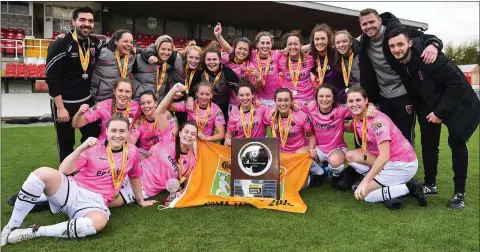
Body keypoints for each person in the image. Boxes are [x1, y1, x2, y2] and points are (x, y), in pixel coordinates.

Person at [1, 115, 156, 246]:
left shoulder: (133, 152)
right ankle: (11, 227)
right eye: (113, 130)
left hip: (95, 202)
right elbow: (64, 171)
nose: (117, 135)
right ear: (106, 132)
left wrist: (141, 200)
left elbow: (135, 176)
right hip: (73, 190)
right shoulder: (93, 146)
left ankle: (35, 231)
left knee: (99, 222)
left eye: (122, 131)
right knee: (41, 173)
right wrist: (81, 148)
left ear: (128, 132)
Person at [387, 26, 480, 209]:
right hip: (427, 107)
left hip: (457, 105)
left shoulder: (429, 57)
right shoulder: (399, 63)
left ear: (410, 43)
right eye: (392, 46)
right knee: (429, 145)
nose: (396, 49)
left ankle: (459, 193)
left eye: (400, 44)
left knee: (457, 143)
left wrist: (440, 112)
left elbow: (456, 85)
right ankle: (430, 184)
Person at [357, 8, 443, 144]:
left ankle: (408, 164)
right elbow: (338, 44)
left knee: (405, 137)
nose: (369, 26)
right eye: (364, 24)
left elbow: (424, 37)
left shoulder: (396, 31)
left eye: (372, 22)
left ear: (380, 20)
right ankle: (392, 165)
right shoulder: (363, 43)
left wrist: (434, 45)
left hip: (404, 95)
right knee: (386, 137)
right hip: (383, 98)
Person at [344, 87, 427, 208]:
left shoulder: (378, 122)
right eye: (351, 101)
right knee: (350, 155)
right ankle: (383, 181)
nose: (354, 104)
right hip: (387, 161)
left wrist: (365, 182)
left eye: (358, 100)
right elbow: (353, 128)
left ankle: (410, 187)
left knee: (365, 195)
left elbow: (384, 156)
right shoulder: (358, 117)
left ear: (366, 101)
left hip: (402, 165)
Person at [45, 6, 103, 162]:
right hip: (65, 104)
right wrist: (60, 108)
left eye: (90, 21)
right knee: (66, 143)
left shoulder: (96, 44)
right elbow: (51, 78)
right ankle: (66, 177)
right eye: (82, 20)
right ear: (74, 22)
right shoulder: (61, 44)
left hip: (86, 101)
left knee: (91, 138)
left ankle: (87, 169)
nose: (87, 24)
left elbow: (117, 46)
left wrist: (142, 52)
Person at [109, 118, 198, 207]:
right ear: (179, 133)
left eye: (193, 134)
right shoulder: (169, 139)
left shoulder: (191, 160)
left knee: (114, 202)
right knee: (105, 186)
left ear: (195, 138)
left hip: (146, 189)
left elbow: (187, 183)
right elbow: (160, 112)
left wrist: (181, 193)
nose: (189, 135)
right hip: (134, 173)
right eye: (186, 132)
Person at [302, 84, 376, 187]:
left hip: (336, 148)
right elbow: (293, 105)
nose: (324, 99)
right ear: (316, 98)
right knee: (300, 153)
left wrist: (371, 106)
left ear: (334, 99)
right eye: (321, 96)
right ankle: (320, 173)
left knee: (335, 161)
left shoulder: (341, 110)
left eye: (328, 96)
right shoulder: (310, 107)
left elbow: (361, 108)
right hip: (318, 148)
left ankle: (335, 176)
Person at [263, 88, 323, 186]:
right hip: (281, 153)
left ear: (291, 101)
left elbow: (311, 135)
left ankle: (313, 169)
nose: (283, 103)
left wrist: (312, 149)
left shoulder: (301, 115)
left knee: (300, 185)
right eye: (280, 100)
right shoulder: (270, 116)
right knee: (278, 181)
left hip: (299, 152)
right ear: (275, 101)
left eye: (286, 100)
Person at [72, 78, 141, 140]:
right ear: (114, 91)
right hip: (105, 146)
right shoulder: (102, 106)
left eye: (127, 91)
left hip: (126, 147)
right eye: (120, 90)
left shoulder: (137, 108)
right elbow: (76, 124)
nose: (123, 94)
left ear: (132, 93)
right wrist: (79, 113)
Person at [188, 44, 239, 123]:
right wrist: (190, 99)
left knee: (222, 133)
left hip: (222, 107)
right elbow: (191, 91)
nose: (212, 62)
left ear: (220, 60)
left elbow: (239, 89)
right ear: (204, 60)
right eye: (208, 59)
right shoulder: (199, 72)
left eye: (214, 59)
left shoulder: (227, 72)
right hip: (202, 107)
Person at [213, 23, 253, 113]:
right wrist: (218, 36)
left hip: (245, 102)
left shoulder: (250, 66)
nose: (242, 52)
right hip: (229, 101)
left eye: (245, 49)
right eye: (240, 48)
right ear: (234, 48)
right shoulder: (224, 58)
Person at [129, 90, 178, 159]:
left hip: (164, 151)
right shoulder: (139, 122)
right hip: (146, 155)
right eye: (142, 103)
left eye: (149, 102)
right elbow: (131, 143)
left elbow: (175, 131)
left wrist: (158, 147)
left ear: (155, 103)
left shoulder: (165, 114)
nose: (146, 106)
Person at [90, 29, 136, 103]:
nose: (129, 44)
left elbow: (147, 51)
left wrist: (149, 55)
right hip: (100, 98)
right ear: (115, 41)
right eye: (125, 41)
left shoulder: (132, 55)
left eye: (131, 42)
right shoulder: (102, 52)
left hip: (120, 99)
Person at [133, 35, 184, 101]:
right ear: (157, 48)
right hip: (140, 102)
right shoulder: (139, 58)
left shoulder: (171, 62)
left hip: (158, 103)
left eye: (169, 50)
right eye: (163, 49)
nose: (166, 52)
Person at [308, 24, 347, 103]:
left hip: (341, 99)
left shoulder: (337, 53)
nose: (320, 42)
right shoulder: (310, 56)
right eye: (317, 39)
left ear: (328, 39)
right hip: (323, 101)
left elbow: (350, 42)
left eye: (323, 39)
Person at [224, 78, 269, 146]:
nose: (245, 98)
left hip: (259, 148)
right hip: (241, 149)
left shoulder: (261, 109)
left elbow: (275, 114)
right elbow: (229, 133)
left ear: (252, 95)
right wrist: (227, 139)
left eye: (247, 95)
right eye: (241, 95)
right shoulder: (233, 114)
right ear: (237, 97)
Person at [277, 30, 316, 106]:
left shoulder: (309, 59)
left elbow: (319, 46)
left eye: (295, 44)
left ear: (301, 45)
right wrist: (282, 51)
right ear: (286, 46)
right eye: (290, 44)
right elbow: (269, 54)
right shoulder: (281, 60)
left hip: (308, 101)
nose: (292, 47)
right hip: (290, 102)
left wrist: (306, 48)